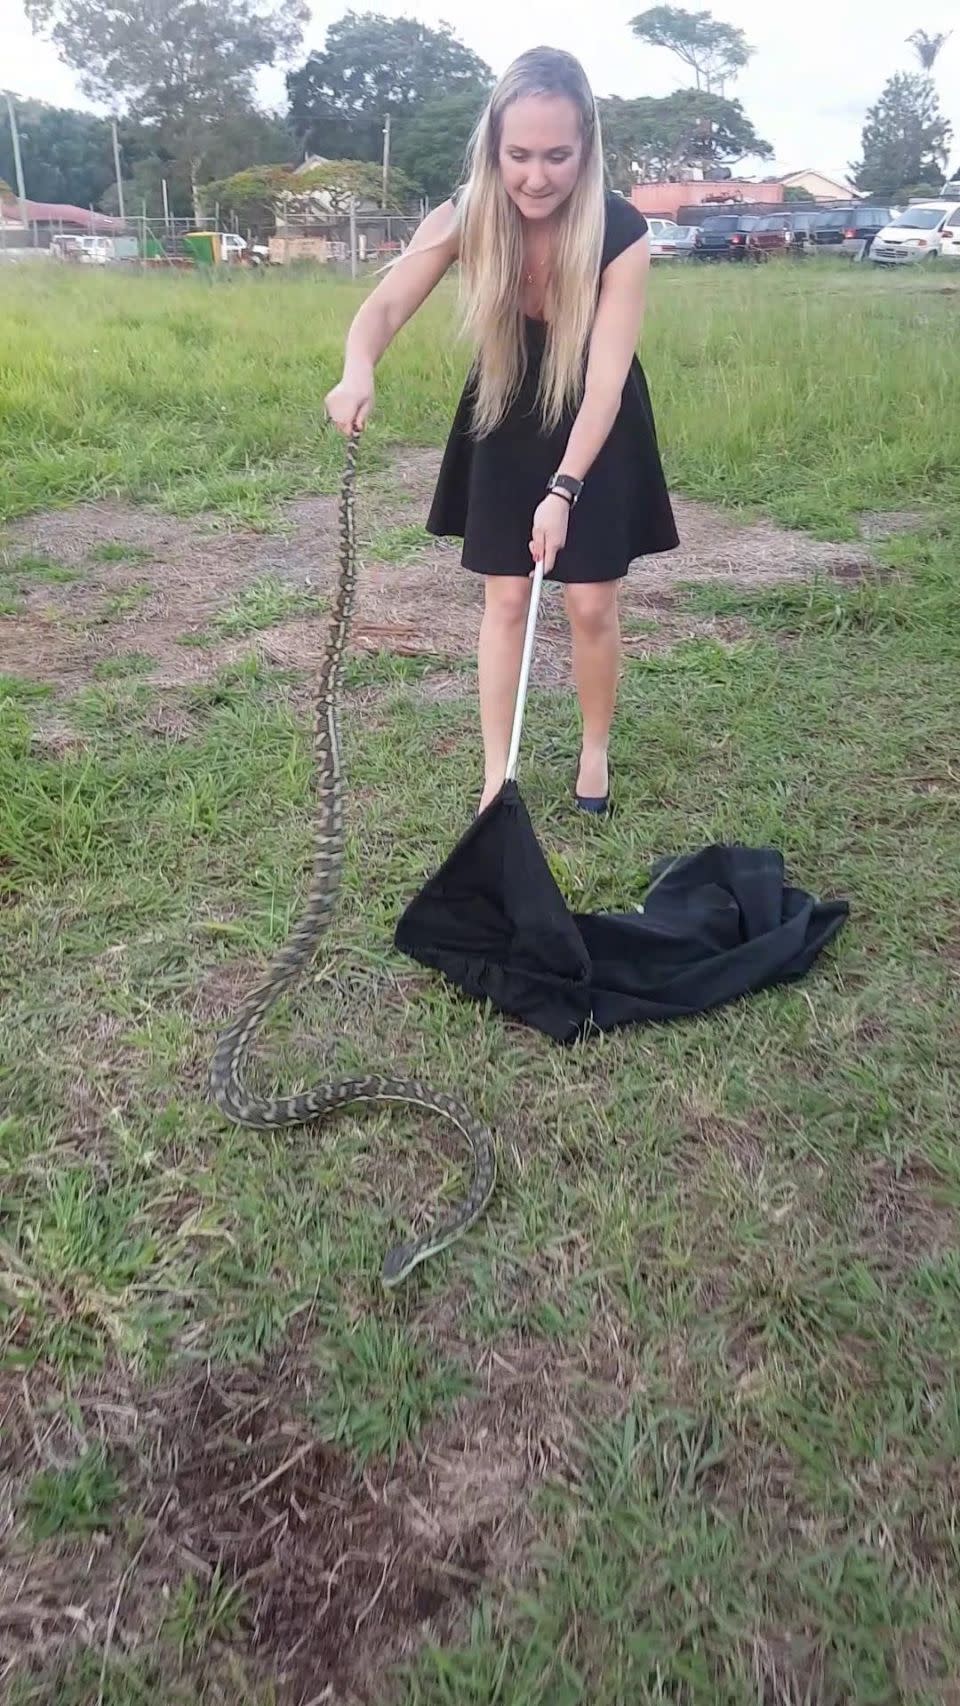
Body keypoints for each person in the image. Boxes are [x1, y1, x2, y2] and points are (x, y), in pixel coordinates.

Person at [325, 46, 679, 817]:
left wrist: (564, 489)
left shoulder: (620, 231)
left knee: (589, 601)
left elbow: (608, 381)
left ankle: (594, 751)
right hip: (504, 412)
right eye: (518, 154)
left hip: (597, 420)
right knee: (508, 599)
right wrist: (359, 368)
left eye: (557, 155)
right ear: (494, 146)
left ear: (586, 148)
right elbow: (383, 308)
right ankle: (497, 776)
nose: (536, 176)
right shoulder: (466, 214)